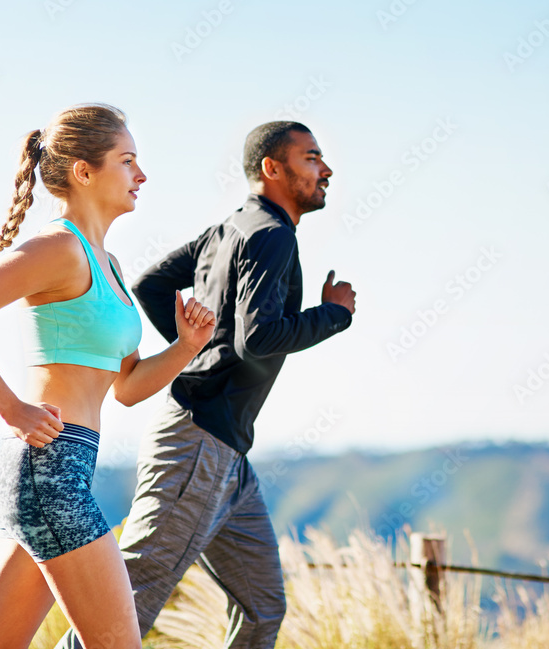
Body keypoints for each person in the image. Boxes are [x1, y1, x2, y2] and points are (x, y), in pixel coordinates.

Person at [54, 121, 357, 649]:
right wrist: (333, 314)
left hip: (226, 450)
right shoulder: (271, 235)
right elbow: (258, 338)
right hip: (199, 441)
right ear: (273, 168)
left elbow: (151, 285)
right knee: (128, 603)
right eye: (312, 158)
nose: (325, 170)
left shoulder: (233, 228)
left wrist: (194, 347)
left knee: (262, 608)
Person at [0, 103, 216, 649]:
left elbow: (127, 388)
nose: (142, 174)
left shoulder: (106, 263)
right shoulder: (59, 247)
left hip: (56, 469)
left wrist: (186, 346)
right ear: (84, 172)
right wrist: (10, 408)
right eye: (127, 160)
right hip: (50, 470)